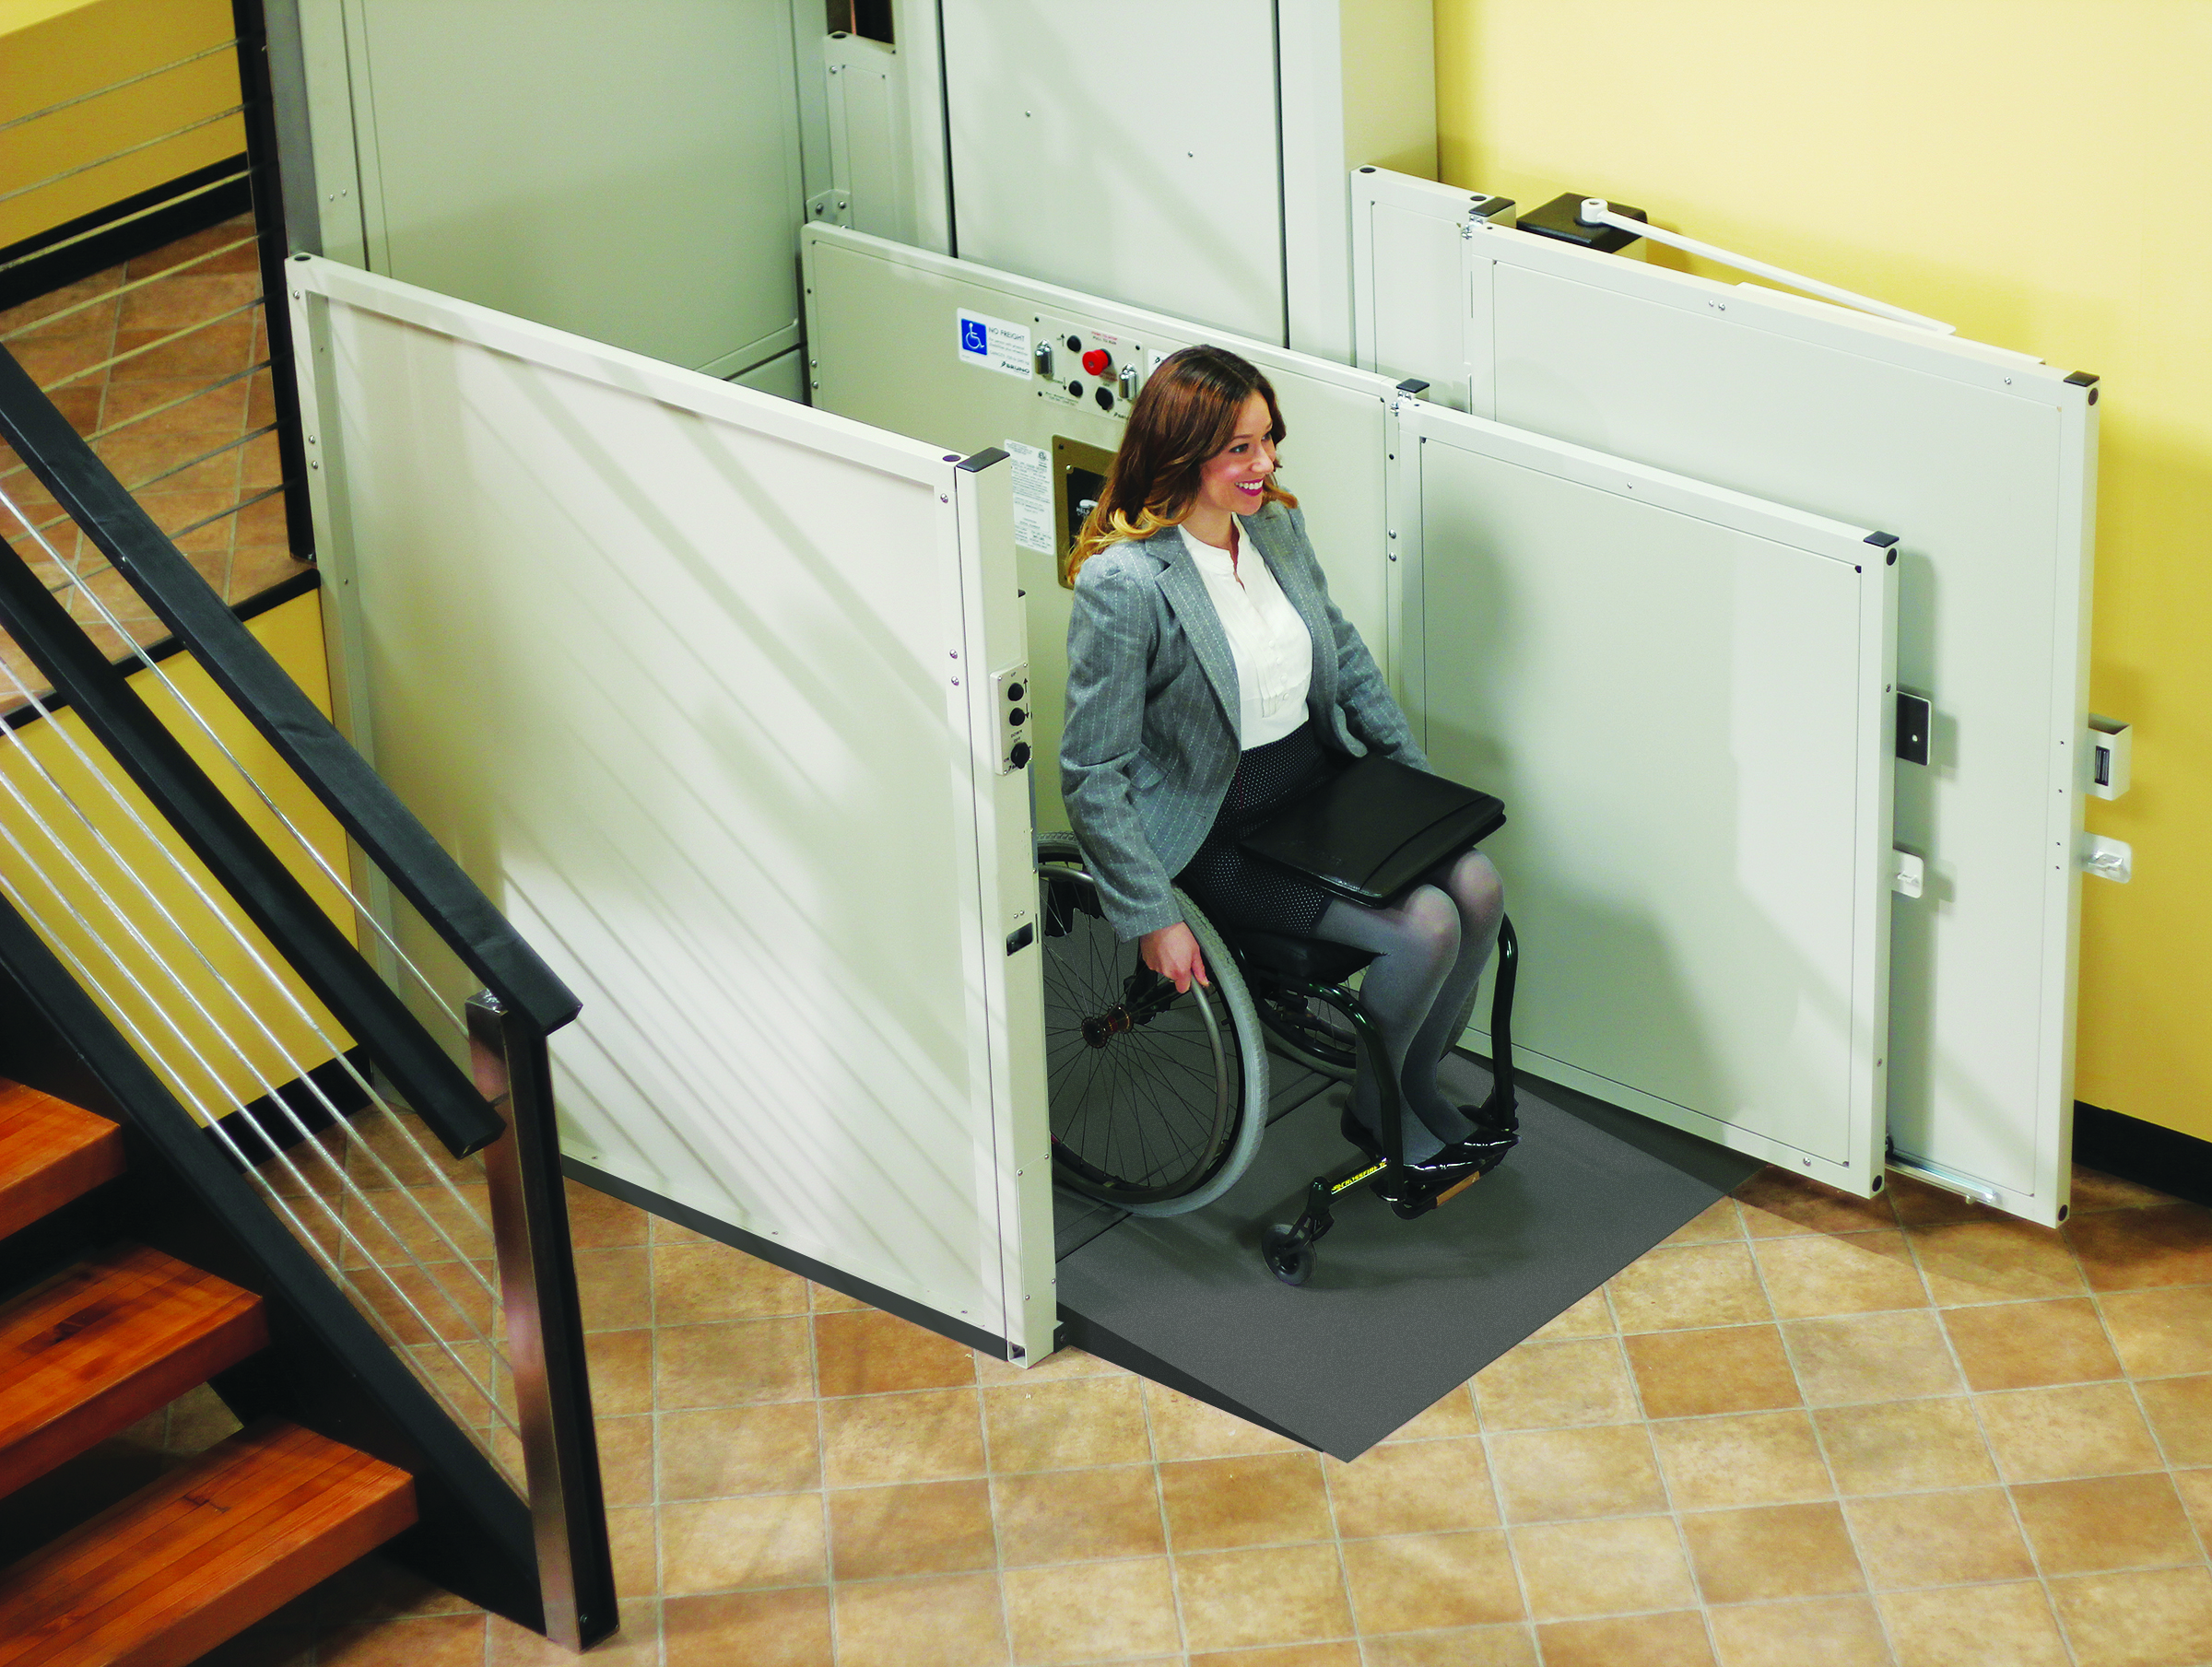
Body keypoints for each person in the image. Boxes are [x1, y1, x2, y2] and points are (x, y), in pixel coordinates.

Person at [1059, 345, 1508, 1200]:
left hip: (1314, 783)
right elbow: (1092, 769)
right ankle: (1380, 1109)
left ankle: (1408, 1084)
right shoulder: (1127, 584)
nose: (1264, 465)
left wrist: (1413, 784)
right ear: (1182, 452)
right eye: (1239, 448)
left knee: (1478, 884)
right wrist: (1150, 914)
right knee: (1427, 926)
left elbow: (1341, 652)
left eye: (1269, 440)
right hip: (1216, 825)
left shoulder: (1275, 526)